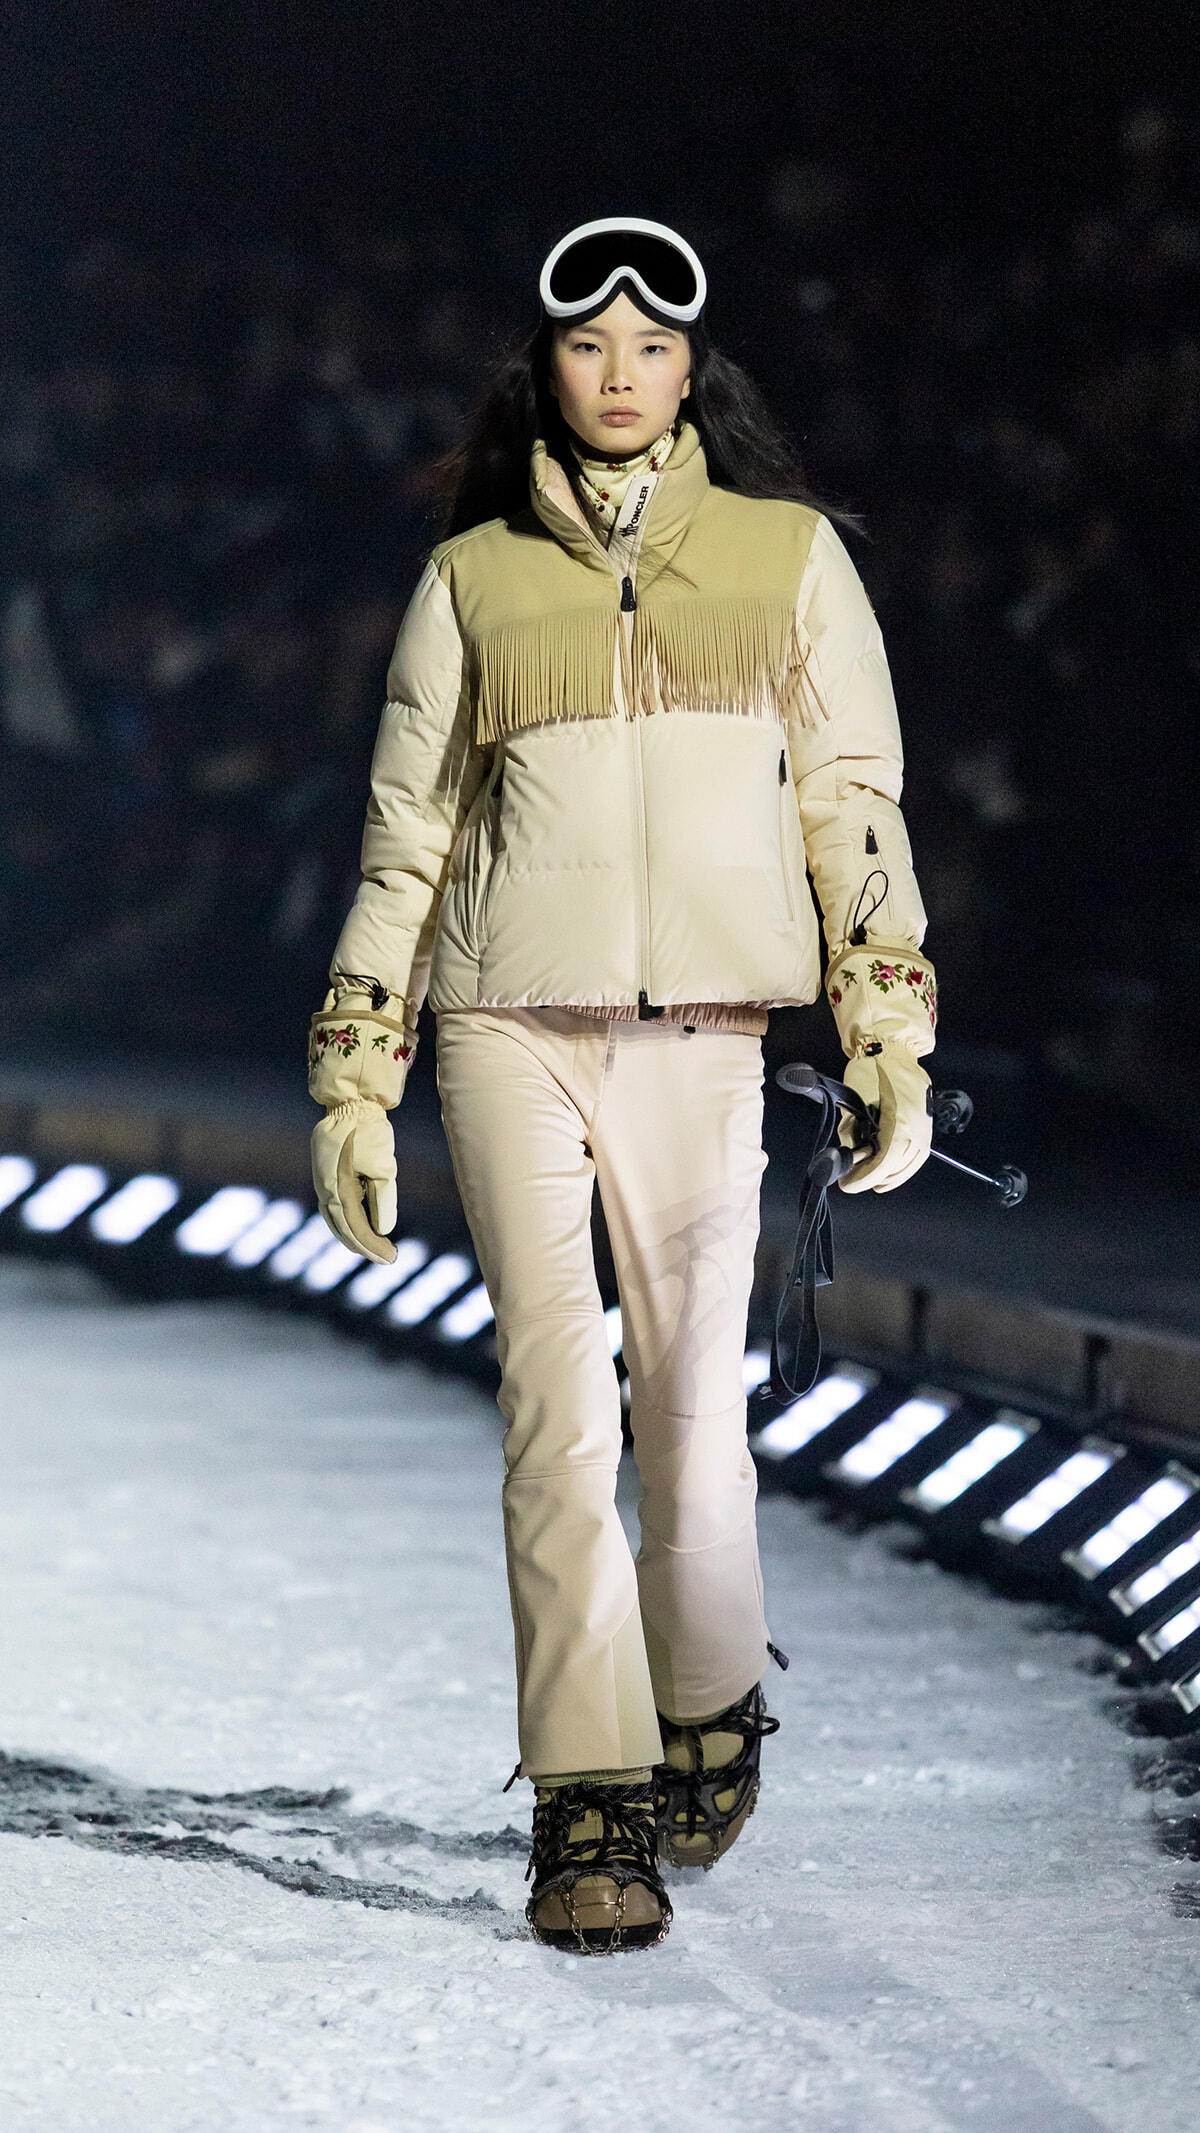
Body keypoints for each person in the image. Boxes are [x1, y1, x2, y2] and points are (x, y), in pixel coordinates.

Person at [306, 218, 937, 1954]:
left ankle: (710, 1700)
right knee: (556, 1412)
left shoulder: (789, 557)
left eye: (652, 347)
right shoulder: (475, 576)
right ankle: (589, 1798)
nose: (618, 372)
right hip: (509, 1024)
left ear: (693, 370)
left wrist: (890, 1034)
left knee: (691, 1409)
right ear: (547, 362)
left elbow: (851, 804)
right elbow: (406, 836)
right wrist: (359, 1075)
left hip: (708, 1036)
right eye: (588, 344)